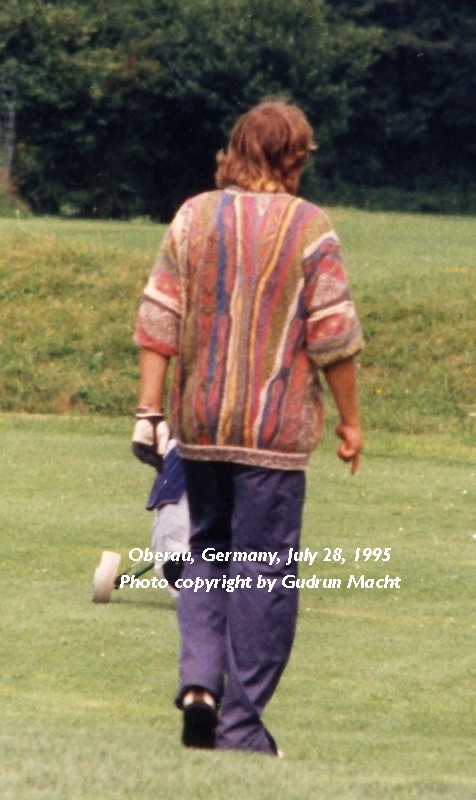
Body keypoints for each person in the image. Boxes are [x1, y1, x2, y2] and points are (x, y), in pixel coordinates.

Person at [132, 98, 364, 756]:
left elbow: (159, 318)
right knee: (263, 571)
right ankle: (240, 728)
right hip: (273, 431)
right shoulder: (310, 227)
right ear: (295, 156)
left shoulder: (193, 215)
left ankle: (199, 687)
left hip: (201, 423)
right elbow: (333, 335)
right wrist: (351, 422)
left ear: (235, 149)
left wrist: (149, 413)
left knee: (207, 550)